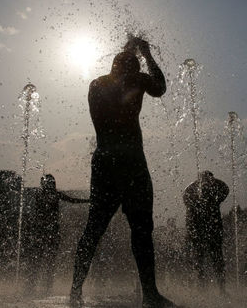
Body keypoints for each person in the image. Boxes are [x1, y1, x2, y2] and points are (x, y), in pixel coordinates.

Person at [70, 36, 176, 308]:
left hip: (105, 162)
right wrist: (148, 53)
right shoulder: (137, 81)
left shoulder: (96, 84)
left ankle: (74, 291)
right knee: (141, 230)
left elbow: (122, 80)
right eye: (135, 65)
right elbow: (160, 87)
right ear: (132, 68)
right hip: (131, 164)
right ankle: (150, 294)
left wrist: (128, 53)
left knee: (94, 228)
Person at [23, 174, 89, 295]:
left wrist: (87, 200)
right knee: (41, 258)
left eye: (51, 183)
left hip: (49, 231)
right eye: (48, 183)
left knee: (46, 259)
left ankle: (42, 285)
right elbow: (71, 200)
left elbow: (72, 200)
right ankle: (34, 285)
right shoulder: (44, 195)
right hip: (44, 232)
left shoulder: (52, 195)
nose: (50, 185)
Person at [183, 171, 228, 292]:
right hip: (199, 234)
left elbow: (225, 188)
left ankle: (221, 289)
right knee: (199, 261)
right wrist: (199, 182)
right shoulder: (195, 202)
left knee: (217, 260)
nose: (207, 185)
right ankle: (203, 288)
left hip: (214, 233)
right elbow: (185, 197)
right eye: (205, 182)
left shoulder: (214, 198)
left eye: (210, 182)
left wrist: (209, 180)